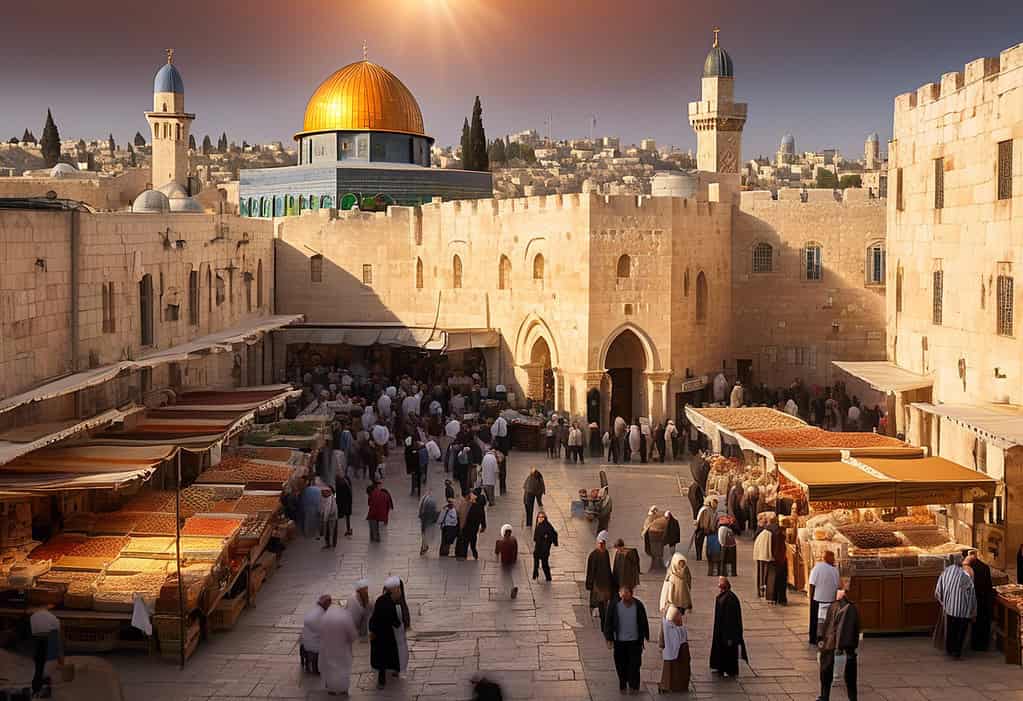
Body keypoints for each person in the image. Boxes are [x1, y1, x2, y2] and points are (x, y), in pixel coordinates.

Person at [604, 585, 650, 693]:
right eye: (622, 595)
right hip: (619, 641)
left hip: (635, 641)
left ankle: (634, 686)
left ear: (631, 594)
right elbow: (608, 622)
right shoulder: (614, 605)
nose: (624, 598)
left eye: (627, 595)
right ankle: (623, 683)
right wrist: (609, 638)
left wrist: (646, 635)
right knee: (621, 665)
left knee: (635, 664)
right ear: (620, 594)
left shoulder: (638, 605)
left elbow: (643, 621)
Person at [817, 588, 860, 701]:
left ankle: (828, 696)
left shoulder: (847, 608)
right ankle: (825, 696)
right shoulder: (836, 605)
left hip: (840, 645)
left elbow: (844, 629)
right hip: (834, 644)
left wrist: (838, 647)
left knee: (847, 674)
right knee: (827, 670)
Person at [370, 577, 409, 689]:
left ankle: (384, 679)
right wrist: (400, 625)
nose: (400, 592)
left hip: (377, 632)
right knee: (387, 654)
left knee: (382, 656)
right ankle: (387, 678)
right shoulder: (390, 604)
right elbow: (394, 621)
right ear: (394, 590)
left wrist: (372, 629)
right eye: (398, 590)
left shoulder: (380, 599)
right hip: (386, 635)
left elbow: (374, 616)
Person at [934, 556, 976, 659]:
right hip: (963, 609)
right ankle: (957, 652)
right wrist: (973, 610)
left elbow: (938, 590)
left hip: (949, 607)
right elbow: (971, 594)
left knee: (951, 628)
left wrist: (944, 603)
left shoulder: (946, 571)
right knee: (960, 631)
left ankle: (949, 649)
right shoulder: (965, 576)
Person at [710, 577, 745, 678]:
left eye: (720, 585)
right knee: (722, 650)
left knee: (728, 651)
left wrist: (730, 636)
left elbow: (731, 620)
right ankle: (721, 667)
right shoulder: (725, 596)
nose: (719, 587)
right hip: (721, 630)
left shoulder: (730, 599)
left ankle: (729, 670)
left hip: (728, 632)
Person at [319, 603, 358, 695]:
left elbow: (320, 633)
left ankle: (331, 688)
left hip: (328, 649)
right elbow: (353, 635)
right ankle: (343, 689)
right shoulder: (345, 617)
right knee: (343, 668)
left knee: (330, 667)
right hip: (343, 649)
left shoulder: (324, 618)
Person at [808, 551, 840, 645]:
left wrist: (811, 597)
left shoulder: (817, 568)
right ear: (827, 558)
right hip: (828, 599)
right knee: (828, 620)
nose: (834, 559)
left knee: (817, 619)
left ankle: (814, 638)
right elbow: (838, 586)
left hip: (818, 598)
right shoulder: (834, 570)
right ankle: (825, 637)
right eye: (832, 557)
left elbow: (812, 584)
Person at [30, 606, 63, 696]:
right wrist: (60, 656)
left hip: (38, 643)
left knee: (39, 668)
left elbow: (33, 632)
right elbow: (58, 639)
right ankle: (44, 690)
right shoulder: (55, 620)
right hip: (49, 643)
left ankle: (36, 690)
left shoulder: (33, 617)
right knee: (48, 669)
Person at [964, 550, 993, 652]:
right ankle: (983, 645)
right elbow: (989, 585)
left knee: (974, 624)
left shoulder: (967, 568)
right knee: (983, 622)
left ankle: (974, 644)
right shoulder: (985, 567)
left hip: (972, 598)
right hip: (984, 598)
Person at [586, 531, 615, 631]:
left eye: (603, 543)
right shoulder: (594, 555)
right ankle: (603, 624)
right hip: (598, 585)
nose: (602, 545)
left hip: (605, 584)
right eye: (600, 543)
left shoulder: (605, 553)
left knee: (603, 604)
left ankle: (604, 624)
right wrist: (590, 584)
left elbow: (607, 568)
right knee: (601, 603)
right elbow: (590, 571)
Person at [659, 605, 691, 694]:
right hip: (675, 643)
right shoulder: (673, 610)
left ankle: (672, 685)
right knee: (674, 664)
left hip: (676, 642)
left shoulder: (672, 609)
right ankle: (671, 685)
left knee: (676, 664)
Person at [300, 595, 331, 674]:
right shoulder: (321, 614)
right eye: (329, 603)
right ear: (326, 604)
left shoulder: (314, 611)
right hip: (314, 644)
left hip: (305, 641)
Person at [458, 491, 487, 560]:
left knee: (465, 543)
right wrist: (483, 526)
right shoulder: (481, 509)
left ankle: (463, 556)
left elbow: (464, 515)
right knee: (473, 544)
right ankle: (475, 555)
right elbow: (483, 519)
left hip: (466, 528)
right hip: (474, 529)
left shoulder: (470, 506)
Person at [532, 511, 559, 581]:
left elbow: (553, 534)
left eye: (542, 517)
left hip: (544, 550)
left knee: (544, 564)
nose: (540, 518)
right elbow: (536, 537)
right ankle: (536, 574)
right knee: (537, 562)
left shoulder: (547, 526)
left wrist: (548, 540)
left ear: (545, 518)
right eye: (539, 517)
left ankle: (548, 578)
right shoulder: (538, 525)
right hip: (538, 548)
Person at [766, 518, 788, 605]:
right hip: (779, 560)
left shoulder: (768, 530)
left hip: (771, 558)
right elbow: (780, 549)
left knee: (772, 578)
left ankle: (772, 597)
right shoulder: (779, 533)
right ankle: (781, 599)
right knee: (781, 580)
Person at [495, 524, 519, 599]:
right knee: (508, 575)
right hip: (511, 561)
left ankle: (510, 588)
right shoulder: (514, 540)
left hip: (504, 562)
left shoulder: (499, 542)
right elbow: (516, 551)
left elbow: (496, 552)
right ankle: (509, 588)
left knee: (505, 575)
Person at [642, 506, 668, 572]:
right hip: (656, 537)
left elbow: (645, 528)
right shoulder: (658, 517)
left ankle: (656, 566)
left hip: (653, 536)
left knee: (656, 551)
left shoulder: (651, 518)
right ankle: (657, 565)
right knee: (657, 551)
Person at [694, 497, 717, 562]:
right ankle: (701, 558)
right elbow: (706, 522)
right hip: (703, 530)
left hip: (701, 530)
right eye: (715, 504)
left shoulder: (704, 508)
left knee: (699, 545)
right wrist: (708, 529)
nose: (716, 506)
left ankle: (699, 557)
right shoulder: (707, 510)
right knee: (701, 545)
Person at [754, 525, 773, 599]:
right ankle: (762, 590)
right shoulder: (767, 532)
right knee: (764, 574)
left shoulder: (761, 531)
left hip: (761, 555)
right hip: (764, 556)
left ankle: (760, 591)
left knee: (761, 574)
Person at [418, 490, 439, 556]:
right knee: (425, 533)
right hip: (427, 519)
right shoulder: (432, 501)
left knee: (424, 533)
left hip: (424, 519)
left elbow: (421, 510)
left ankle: (424, 546)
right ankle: (424, 546)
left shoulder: (425, 500)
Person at [335, 470, 354, 537]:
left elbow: (336, 493)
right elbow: (350, 492)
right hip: (346, 502)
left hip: (341, 503)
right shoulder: (346, 482)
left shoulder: (338, 483)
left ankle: (336, 529)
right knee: (347, 516)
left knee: (337, 516)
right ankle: (348, 529)